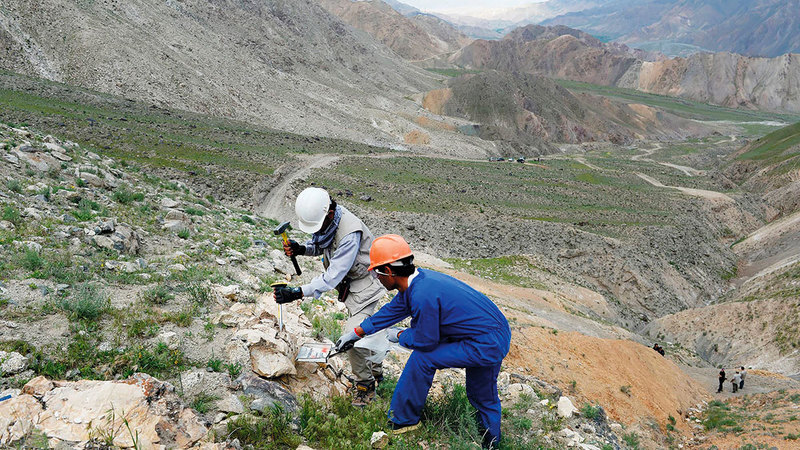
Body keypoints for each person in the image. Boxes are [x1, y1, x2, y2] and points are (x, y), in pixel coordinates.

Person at [335, 235, 511, 449]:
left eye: (376, 273)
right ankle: (492, 441)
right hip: (492, 333)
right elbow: (393, 310)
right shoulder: (418, 282)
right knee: (481, 392)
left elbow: (426, 341)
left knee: (423, 358)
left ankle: (403, 420)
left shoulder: (422, 295)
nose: (376, 278)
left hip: (486, 343)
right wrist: (357, 333)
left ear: (389, 272)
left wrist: (400, 336)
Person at [273, 187, 386, 406]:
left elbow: (332, 277)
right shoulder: (329, 222)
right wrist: (302, 249)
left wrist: (297, 293)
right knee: (367, 330)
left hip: (365, 288)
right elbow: (321, 245)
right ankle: (377, 372)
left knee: (353, 336)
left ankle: (365, 386)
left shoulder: (349, 233)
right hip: (351, 288)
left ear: (329, 213)